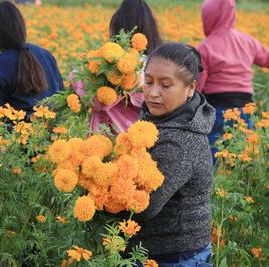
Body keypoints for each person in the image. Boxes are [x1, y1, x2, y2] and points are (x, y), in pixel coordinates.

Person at [130, 42, 215, 266]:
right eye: (148, 82)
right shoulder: (158, 119)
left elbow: (144, 207)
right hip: (155, 250)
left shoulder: (181, 142)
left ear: (190, 88)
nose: (153, 93)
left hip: (175, 256)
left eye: (165, 85)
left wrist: (97, 194)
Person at [69, 0, 162, 133]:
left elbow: (74, 77)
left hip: (104, 140)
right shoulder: (159, 67)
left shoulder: (106, 67)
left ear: (116, 31)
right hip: (144, 140)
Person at [197, 0, 269, 158]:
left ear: (207, 18)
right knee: (241, 150)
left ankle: (216, 179)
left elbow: (199, 84)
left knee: (213, 151)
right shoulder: (247, 41)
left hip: (216, 108)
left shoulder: (205, 47)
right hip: (245, 107)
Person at [0, 1, 63, 120]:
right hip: (55, 132)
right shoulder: (45, 54)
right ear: (21, 26)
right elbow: (60, 95)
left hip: (18, 135)